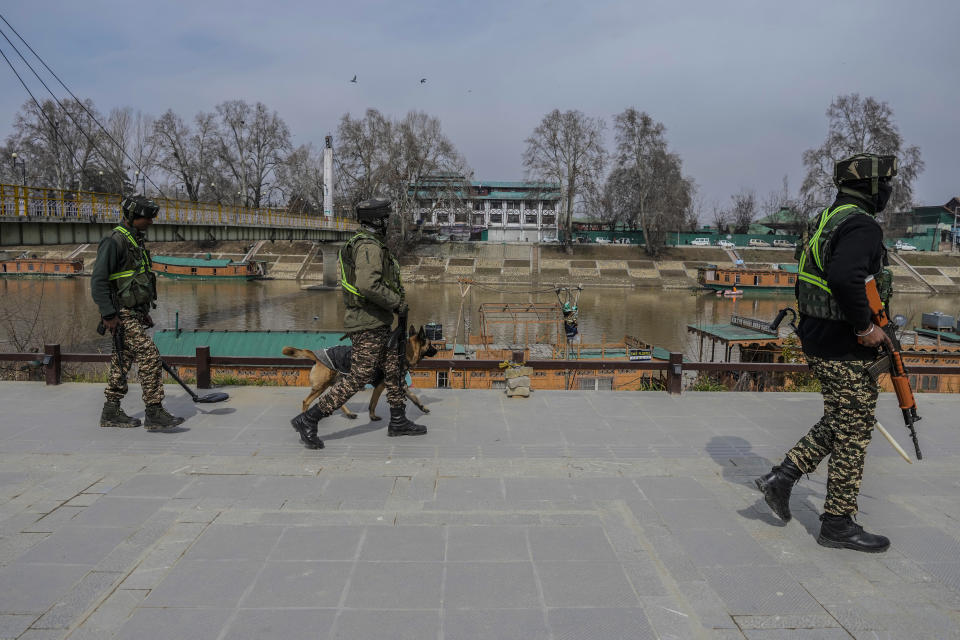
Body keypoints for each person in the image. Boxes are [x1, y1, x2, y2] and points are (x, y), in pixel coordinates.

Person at [755, 153, 897, 552]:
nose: (888, 190)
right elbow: (844, 276)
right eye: (885, 183)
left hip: (818, 336)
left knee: (842, 419)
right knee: (853, 429)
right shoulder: (862, 225)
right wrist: (866, 327)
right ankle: (837, 523)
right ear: (871, 187)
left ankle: (781, 478)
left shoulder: (828, 218)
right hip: (844, 345)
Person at [289, 198, 426, 449]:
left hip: (375, 320)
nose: (389, 222)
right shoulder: (368, 247)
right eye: (386, 218)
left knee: (393, 369)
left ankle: (398, 420)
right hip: (367, 322)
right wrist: (396, 303)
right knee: (360, 375)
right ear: (377, 220)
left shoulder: (367, 243)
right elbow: (367, 284)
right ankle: (309, 418)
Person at [91, 195, 184, 431]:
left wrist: (143, 312)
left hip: (133, 313)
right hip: (120, 314)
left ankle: (110, 411)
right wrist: (109, 315)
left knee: (122, 361)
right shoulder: (114, 242)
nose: (151, 222)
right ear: (133, 217)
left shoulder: (135, 241)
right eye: (147, 218)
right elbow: (98, 282)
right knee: (150, 356)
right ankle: (154, 413)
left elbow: (136, 281)